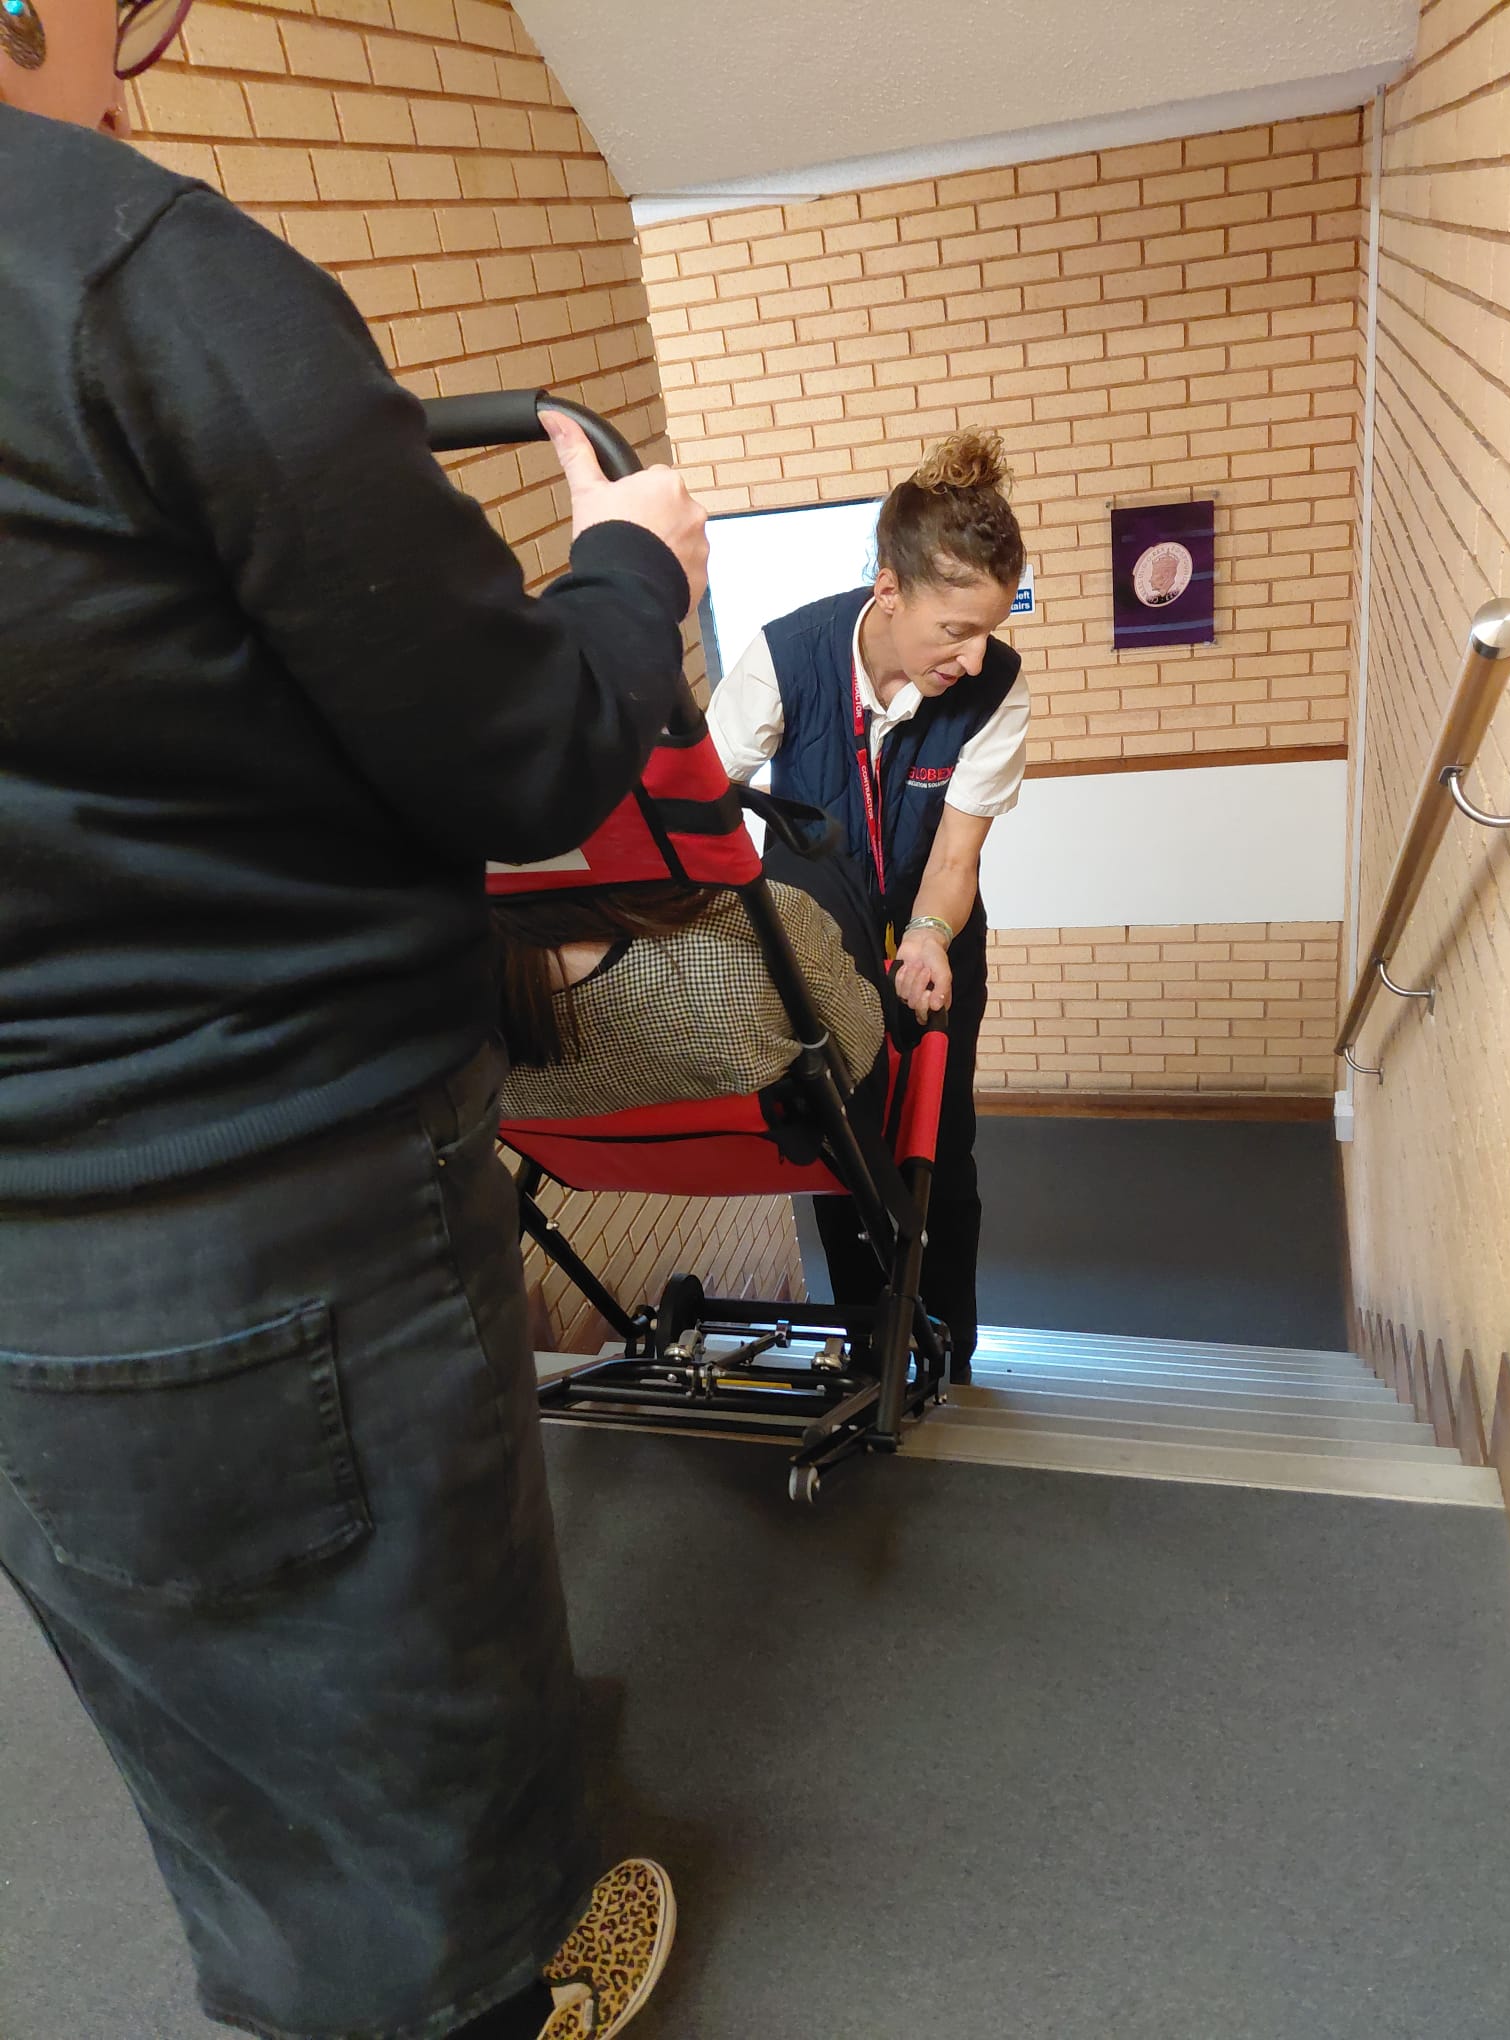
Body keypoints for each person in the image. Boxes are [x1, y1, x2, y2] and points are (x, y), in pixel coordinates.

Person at [0, 7, 710, 2040]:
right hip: (270, 1184)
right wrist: (630, 573)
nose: (135, 76)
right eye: (126, 19)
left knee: (184, 1693)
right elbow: (520, 758)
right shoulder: (130, 270)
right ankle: (503, 1995)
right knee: (404, 1665)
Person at [706, 431, 1030, 1382]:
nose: (973, 658)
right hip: (811, 942)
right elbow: (698, 810)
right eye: (954, 632)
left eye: (992, 629)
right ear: (889, 590)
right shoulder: (785, 656)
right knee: (838, 1147)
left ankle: (949, 1350)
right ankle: (865, 1344)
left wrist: (931, 936)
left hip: (932, 940)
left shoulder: (995, 691)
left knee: (942, 1146)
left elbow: (957, 852)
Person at [491, 846, 888, 1126]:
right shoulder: (736, 940)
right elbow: (859, 1050)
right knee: (811, 857)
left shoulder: (452, 1061)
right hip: (832, 1129)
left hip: (641, 1166)